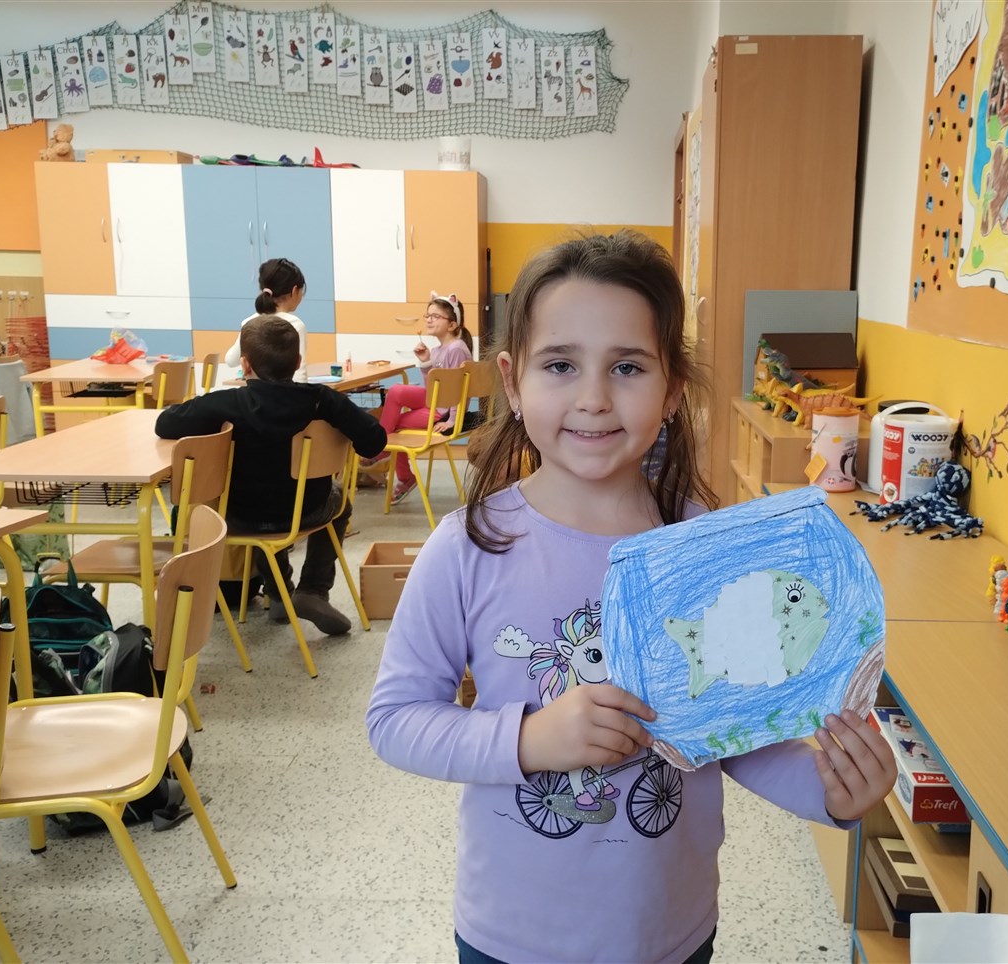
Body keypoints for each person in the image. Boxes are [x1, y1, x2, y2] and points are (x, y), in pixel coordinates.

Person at [366, 232, 896, 964]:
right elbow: (395, 720)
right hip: (512, 936)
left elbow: (732, 731)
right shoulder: (468, 546)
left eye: (627, 366)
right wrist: (530, 739)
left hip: (668, 932)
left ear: (672, 390)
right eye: (560, 365)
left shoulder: (708, 550)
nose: (593, 398)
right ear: (513, 382)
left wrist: (830, 790)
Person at [158, 315, 385, 636]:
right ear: (298, 361)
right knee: (340, 501)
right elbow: (374, 441)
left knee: (257, 500)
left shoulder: (225, 403)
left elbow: (165, 423)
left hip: (239, 517)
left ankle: (279, 593)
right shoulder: (322, 399)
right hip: (309, 510)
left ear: (245, 365)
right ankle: (313, 589)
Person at [375, 292, 473, 505]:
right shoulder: (437, 350)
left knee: (395, 426)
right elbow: (432, 389)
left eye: (435, 316)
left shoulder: (456, 349)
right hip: (436, 401)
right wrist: (427, 362)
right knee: (397, 391)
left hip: (443, 411)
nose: (428, 320)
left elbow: (458, 388)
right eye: (427, 315)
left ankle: (392, 461)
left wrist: (453, 420)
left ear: (452, 324)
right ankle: (382, 447)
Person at [224, 258, 310, 384]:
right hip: (283, 395)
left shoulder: (250, 322)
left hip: (255, 394)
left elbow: (231, 360)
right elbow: (299, 376)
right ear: (294, 291)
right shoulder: (294, 324)